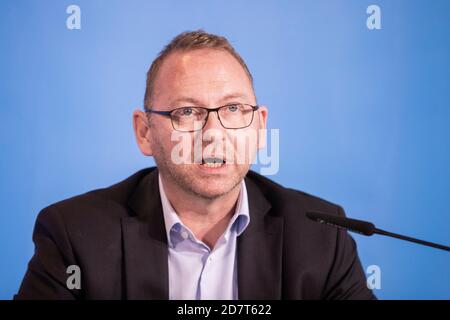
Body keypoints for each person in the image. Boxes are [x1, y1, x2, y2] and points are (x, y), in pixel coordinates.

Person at [15, 30, 375, 300]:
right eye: (187, 112)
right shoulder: (74, 236)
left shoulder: (322, 236)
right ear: (145, 133)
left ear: (260, 126)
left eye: (233, 109)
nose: (214, 133)